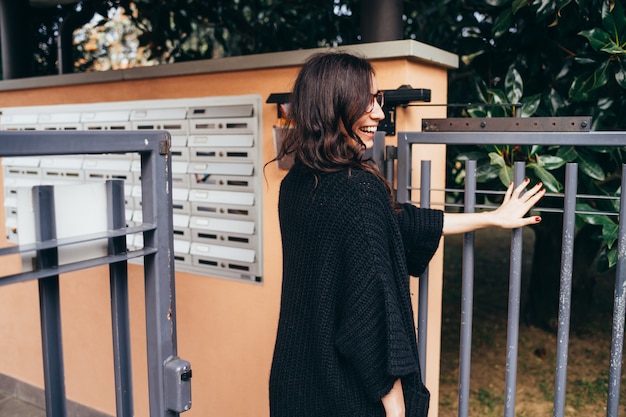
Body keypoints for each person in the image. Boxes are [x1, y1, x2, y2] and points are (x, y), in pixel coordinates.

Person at [268, 51, 545, 417]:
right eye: (366, 101)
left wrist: (492, 217)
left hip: (294, 383)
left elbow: (400, 224)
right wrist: (397, 408)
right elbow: (370, 319)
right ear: (333, 105)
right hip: (343, 396)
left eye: (377, 99)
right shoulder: (357, 191)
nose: (379, 113)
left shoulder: (298, 184)